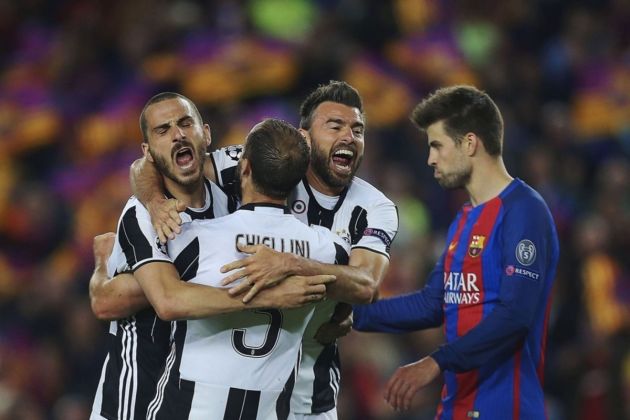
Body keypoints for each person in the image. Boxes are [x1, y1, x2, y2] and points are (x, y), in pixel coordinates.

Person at [132, 81, 399, 419]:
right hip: (243, 383)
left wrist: (289, 264)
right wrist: (155, 202)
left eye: (357, 130)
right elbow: (152, 164)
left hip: (310, 390)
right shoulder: (271, 160)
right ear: (303, 137)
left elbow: (367, 285)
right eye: (335, 126)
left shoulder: (375, 207)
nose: (348, 136)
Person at [89, 93, 331, 420]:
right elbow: (115, 302)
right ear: (148, 152)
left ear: (206, 133)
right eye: (163, 131)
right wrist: (271, 294)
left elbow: (286, 149)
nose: (177, 134)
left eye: (185, 123)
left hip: (197, 387)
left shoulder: (230, 197)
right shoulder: (142, 214)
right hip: (137, 384)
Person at [352, 85, 560, 419]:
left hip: (505, 408)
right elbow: (433, 303)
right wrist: (351, 315)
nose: (430, 159)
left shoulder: (524, 211)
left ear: (469, 143)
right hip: (456, 406)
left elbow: (516, 315)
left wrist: (436, 362)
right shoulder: (464, 219)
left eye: (437, 145)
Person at [150, 118, 350, 419]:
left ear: (244, 168)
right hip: (270, 409)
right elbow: (342, 307)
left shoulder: (192, 238)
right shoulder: (328, 250)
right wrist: (343, 318)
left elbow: (148, 293)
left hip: (191, 406)